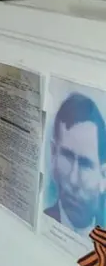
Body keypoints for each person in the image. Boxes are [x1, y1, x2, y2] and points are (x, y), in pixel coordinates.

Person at [43, 92, 106, 237]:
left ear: (104, 176)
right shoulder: (43, 220)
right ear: (53, 154)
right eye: (67, 156)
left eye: (85, 164)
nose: (73, 179)